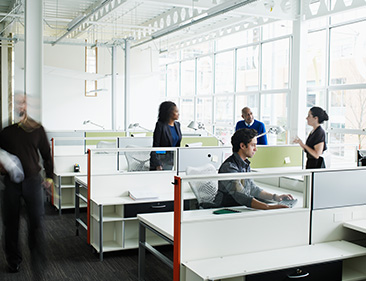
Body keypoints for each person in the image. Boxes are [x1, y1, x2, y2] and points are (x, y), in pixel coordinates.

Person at [0, 95, 53, 275]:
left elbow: (47, 155)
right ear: (11, 106)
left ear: (26, 105)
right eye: (15, 102)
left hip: (32, 182)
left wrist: (50, 177)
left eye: (22, 102)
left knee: (36, 222)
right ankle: (13, 260)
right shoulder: (6, 132)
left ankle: (38, 261)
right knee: (10, 224)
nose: (19, 105)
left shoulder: (37, 130)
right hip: (11, 184)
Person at [214, 128, 293, 210]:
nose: (256, 149)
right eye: (253, 145)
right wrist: (268, 207)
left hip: (239, 207)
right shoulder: (229, 167)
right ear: (242, 146)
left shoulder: (245, 164)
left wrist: (275, 197)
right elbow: (242, 196)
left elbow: (252, 188)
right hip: (226, 210)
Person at [150, 101, 182, 170]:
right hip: (162, 160)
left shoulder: (177, 125)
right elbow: (156, 147)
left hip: (173, 160)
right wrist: (158, 163)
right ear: (169, 113)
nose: (178, 114)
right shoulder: (160, 125)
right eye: (176, 111)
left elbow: (177, 145)